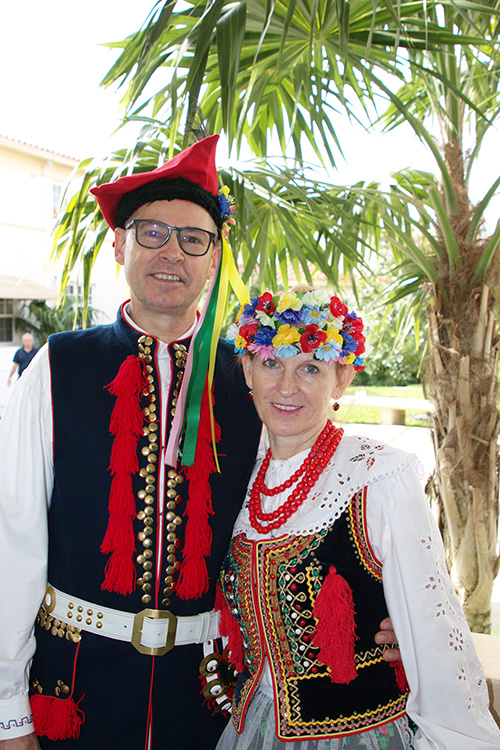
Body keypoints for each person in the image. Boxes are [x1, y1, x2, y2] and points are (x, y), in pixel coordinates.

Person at [0, 138, 399, 750]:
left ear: (214, 259)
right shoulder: (58, 367)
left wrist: (393, 602)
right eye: (152, 232)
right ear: (119, 244)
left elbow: (314, 494)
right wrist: (8, 713)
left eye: (194, 238)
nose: (171, 253)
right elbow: (11, 541)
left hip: (208, 698)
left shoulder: (249, 377)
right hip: (73, 690)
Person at [216, 288, 500, 749]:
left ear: (342, 378)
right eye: (272, 363)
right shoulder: (239, 478)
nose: (287, 387)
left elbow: (434, 636)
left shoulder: (379, 477)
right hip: (253, 728)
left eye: (311, 367)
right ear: (248, 369)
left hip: (358, 734)